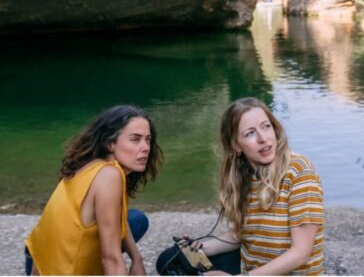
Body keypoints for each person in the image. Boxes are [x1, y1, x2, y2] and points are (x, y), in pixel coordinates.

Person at [157, 97, 324, 275]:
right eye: (250, 133)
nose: (263, 138)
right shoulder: (244, 179)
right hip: (252, 271)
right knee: (173, 257)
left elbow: (301, 253)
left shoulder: (299, 171)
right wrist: (203, 248)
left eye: (266, 126)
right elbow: (243, 235)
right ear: (236, 145)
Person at [25, 105, 163, 275]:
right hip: (62, 271)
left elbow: (116, 215)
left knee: (136, 219)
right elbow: (110, 259)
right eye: (135, 139)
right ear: (110, 143)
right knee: (133, 224)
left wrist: (137, 259)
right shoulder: (109, 175)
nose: (145, 148)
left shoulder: (92, 163)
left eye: (147, 139)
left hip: (37, 259)